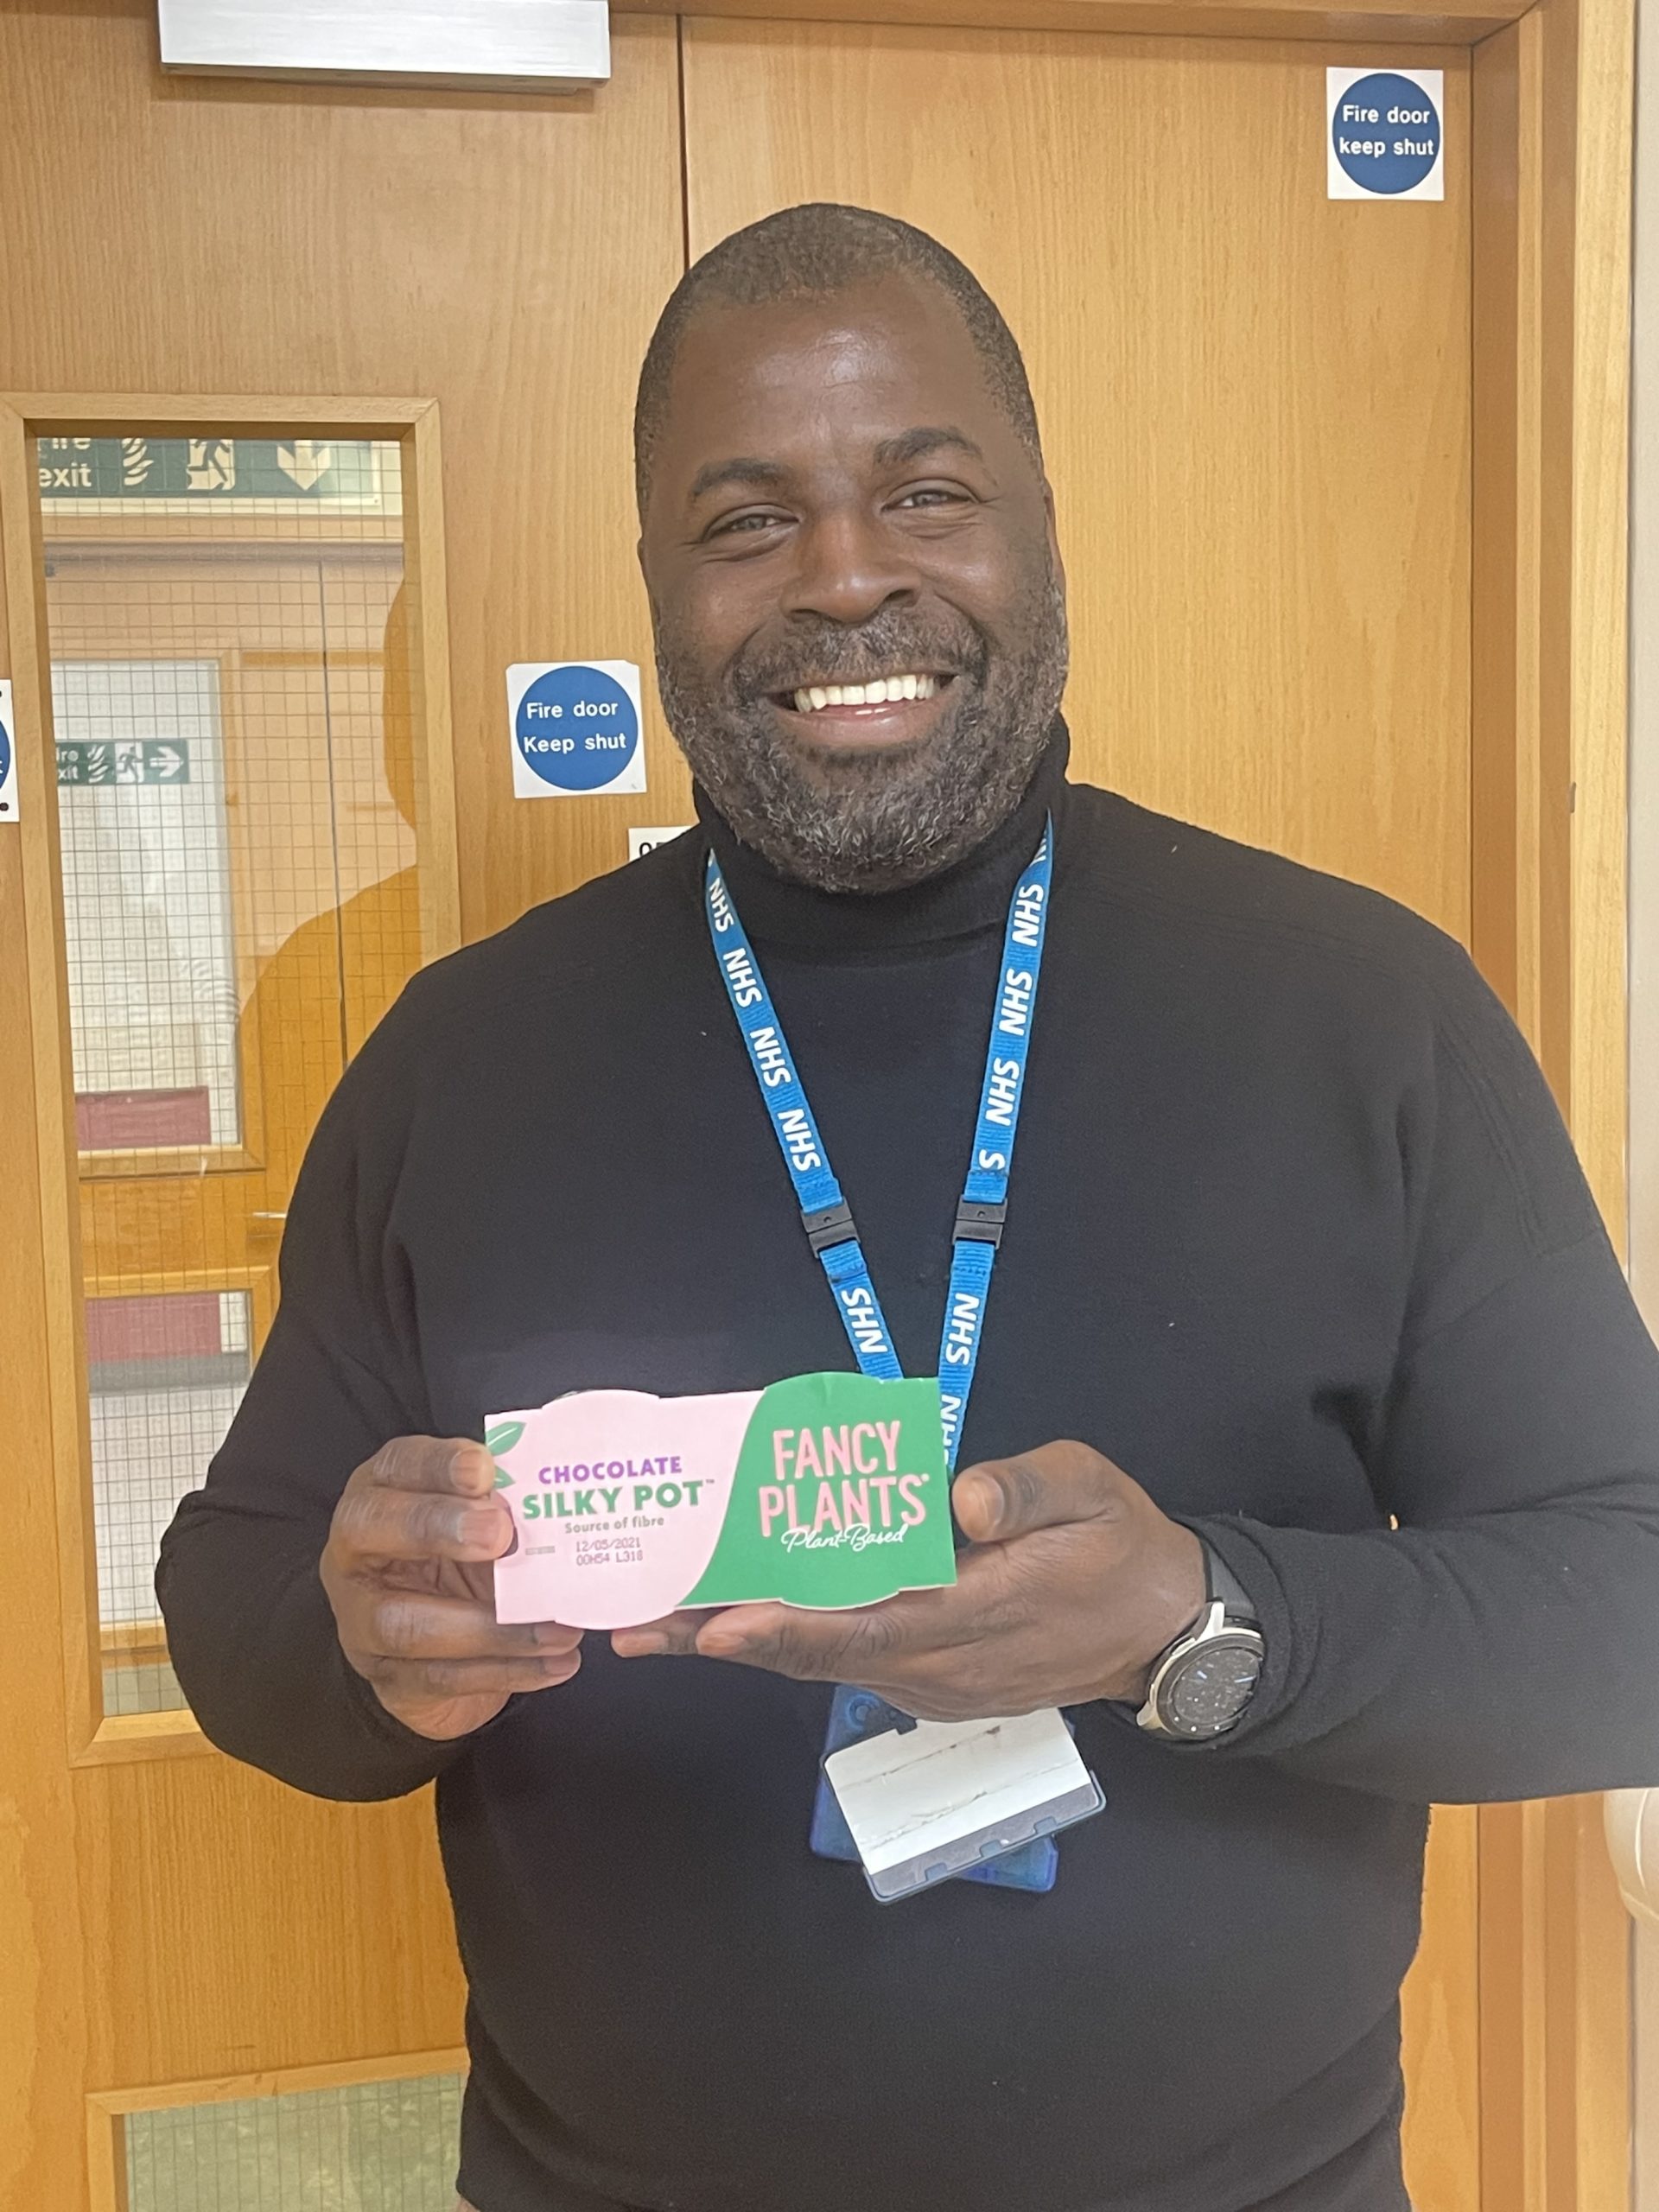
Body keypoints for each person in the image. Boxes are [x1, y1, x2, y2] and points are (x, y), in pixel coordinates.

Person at [158, 204, 1659, 2212]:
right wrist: (359, 1637)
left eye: (923, 491)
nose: (847, 574)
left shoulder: (1358, 1009)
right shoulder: (460, 1056)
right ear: (660, 587)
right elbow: (239, 1594)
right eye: (748, 520)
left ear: (1042, 525)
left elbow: (1626, 1602)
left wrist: (1203, 1620)